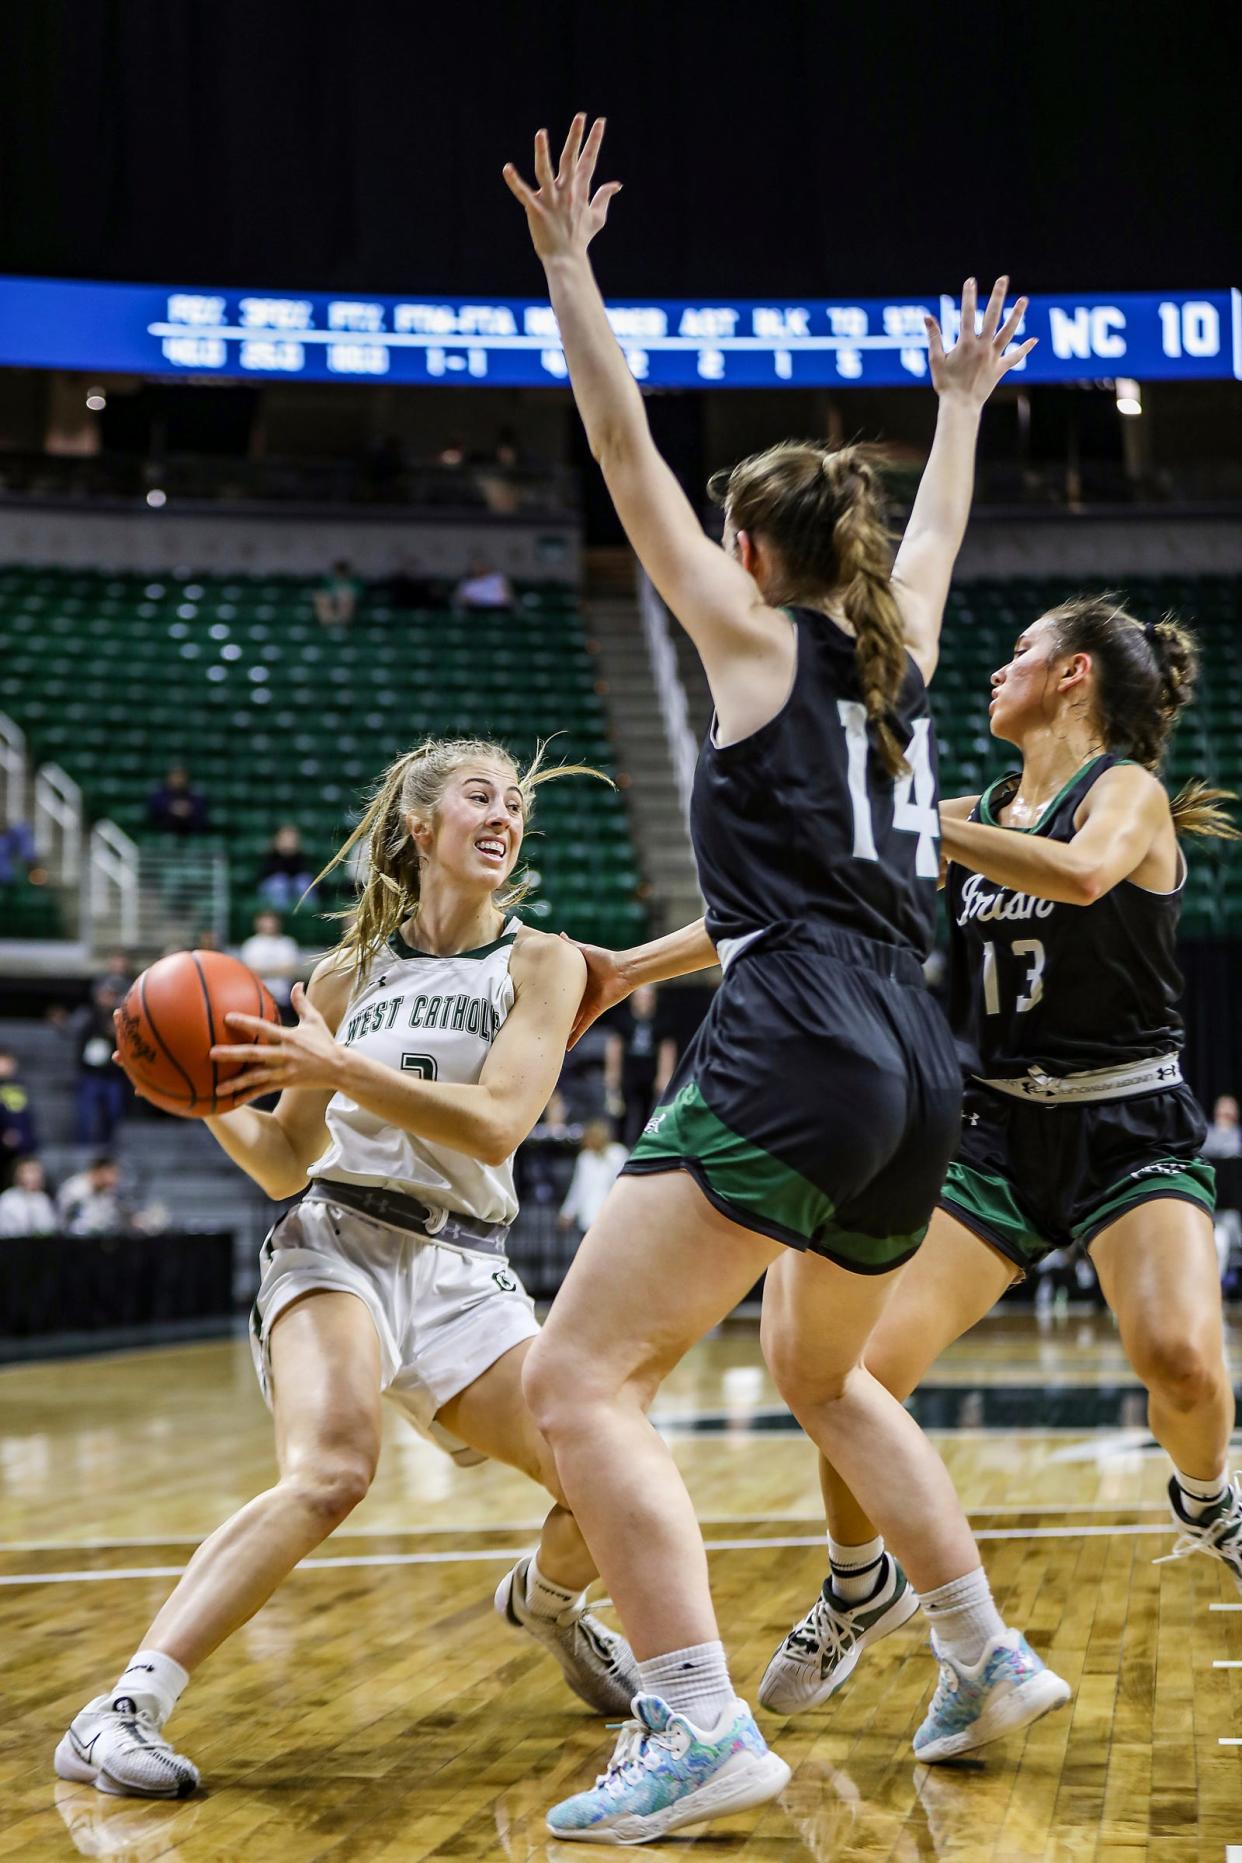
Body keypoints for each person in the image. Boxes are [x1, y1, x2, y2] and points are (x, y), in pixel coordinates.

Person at [503, 115, 1063, 1846]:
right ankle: (975, 1644)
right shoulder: (889, 658)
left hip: (807, 1026)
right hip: (917, 1047)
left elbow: (614, 441)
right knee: (826, 1370)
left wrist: (569, 264)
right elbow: (943, 536)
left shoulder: (750, 641)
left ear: (748, 553)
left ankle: (692, 1718)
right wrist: (961, 403)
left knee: (576, 1379)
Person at [57, 736, 640, 1800]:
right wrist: (209, 1099)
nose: (505, 813)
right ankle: (121, 1709)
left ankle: (550, 1605)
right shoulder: (341, 976)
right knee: (331, 1471)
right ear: (422, 827)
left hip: (466, 1267)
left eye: (516, 801)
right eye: (480, 795)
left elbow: (499, 1125)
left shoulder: (542, 962)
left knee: (612, 1486)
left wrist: (336, 1064)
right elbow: (285, 1162)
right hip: (337, 1241)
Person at [750, 596, 1242, 1714]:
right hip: (992, 1133)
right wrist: (634, 970)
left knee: (1181, 1360)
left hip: (1127, 1121)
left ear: (1073, 676)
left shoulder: (1125, 791)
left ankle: (1210, 1499)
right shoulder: (969, 812)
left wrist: (918, 816)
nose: (993, 670)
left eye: (1019, 653)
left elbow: (1076, 877)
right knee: (856, 1374)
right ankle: (857, 1584)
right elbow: (825, 896)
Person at [603, 983, 677, 1148]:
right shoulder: (623, 1018)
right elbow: (615, 1046)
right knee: (621, 1111)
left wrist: (665, 1075)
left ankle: (642, 1147)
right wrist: (612, 1074)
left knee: (646, 1112)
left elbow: (667, 1048)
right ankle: (619, 1148)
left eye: (648, 997)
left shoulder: (661, 1019)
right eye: (640, 997)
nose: (644, 1001)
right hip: (628, 1073)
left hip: (649, 1073)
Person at [70, 983, 127, 1145]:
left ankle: (107, 1145)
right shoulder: (88, 1016)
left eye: (111, 995)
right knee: (85, 1114)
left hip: (113, 1074)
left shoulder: (120, 1017)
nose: (107, 999)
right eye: (104, 995)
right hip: (91, 1074)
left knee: (113, 1112)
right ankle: (83, 1147)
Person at [558, 1118, 628, 1236]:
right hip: (589, 1218)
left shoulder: (617, 1153)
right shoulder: (585, 1158)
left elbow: (622, 1186)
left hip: (612, 1217)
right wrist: (567, 1212)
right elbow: (578, 1187)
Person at [239, 909, 302, 1011]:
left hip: (282, 999)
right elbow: (249, 972)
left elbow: (290, 970)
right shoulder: (250, 944)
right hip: (257, 999)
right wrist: (278, 970)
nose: (269, 925)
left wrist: (263, 971)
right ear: (258, 924)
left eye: (271, 922)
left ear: (278, 923)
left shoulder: (288, 943)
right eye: (266, 922)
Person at [58, 1156, 127, 1236]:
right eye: (112, 1173)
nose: (115, 1179)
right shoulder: (75, 1189)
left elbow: (109, 1222)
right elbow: (68, 1224)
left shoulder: (107, 1193)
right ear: (98, 1171)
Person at [256, 824, 316, 910]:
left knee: (303, 883)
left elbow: (305, 872)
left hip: (294, 884)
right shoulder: (271, 854)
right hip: (272, 886)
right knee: (280, 883)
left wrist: (292, 855)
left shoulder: (301, 856)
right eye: (285, 839)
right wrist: (282, 853)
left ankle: (306, 914)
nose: (288, 843)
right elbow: (267, 873)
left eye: (292, 840)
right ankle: (281, 914)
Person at [0, 1156, 58, 1236]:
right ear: (18, 1175)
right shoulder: (8, 1199)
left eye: (38, 1172)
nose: (36, 1176)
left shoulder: (43, 1199)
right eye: (30, 1171)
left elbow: (49, 1229)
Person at [0, 1048, 39, 1161]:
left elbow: (25, 1116)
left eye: (8, 1062)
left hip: (22, 1143)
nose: (5, 1066)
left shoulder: (20, 1086)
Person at [147, 766, 209, 837]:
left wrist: (188, 810)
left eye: (181, 777)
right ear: (168, 778)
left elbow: (202, 815)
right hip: (164, 833)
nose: (179, 780)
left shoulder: (195, 795)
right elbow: (153, 814)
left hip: (190, 833)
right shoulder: (159, 795)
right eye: (175, 777)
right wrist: (171, 809)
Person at [312, 559, 359, 627]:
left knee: (345, 597)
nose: (340, 574)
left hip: (347, 605)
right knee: (320, 596)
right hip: (332, 602)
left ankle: (342, 621)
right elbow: (325, 591)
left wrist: (343, 594)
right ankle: (327, 620)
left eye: (342, 571)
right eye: (338, 571)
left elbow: (359, 595)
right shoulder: (329, 581)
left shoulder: (355, 581)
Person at [1202, 1094, 1241, 1161]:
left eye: (1230, 1107)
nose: (1227, 1111)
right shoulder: (1205, 1131)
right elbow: (1203, 1150)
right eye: (1223, 1107)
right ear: (1216, 1110)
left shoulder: (1239, 1132)